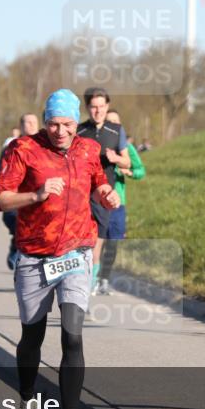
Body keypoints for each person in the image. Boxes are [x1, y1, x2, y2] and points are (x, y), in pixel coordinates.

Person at [0, 89, 120, 409]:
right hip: (33, 256)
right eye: (53, 124)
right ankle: (28, 404)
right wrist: (36, 195)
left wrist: (106, 192)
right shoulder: (23, 149)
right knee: (32, 336)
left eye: (66, 124)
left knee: (72, 334)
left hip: (77, 252)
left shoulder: (88, 148)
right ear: (44, 120)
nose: (60, 131)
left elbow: (96, 180)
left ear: (75, 122)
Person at [77, 87, 130, 294]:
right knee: (79, 242)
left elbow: (127, 162)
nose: (97, 111)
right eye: (93, 107)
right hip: (79, 195)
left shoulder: (116, 131)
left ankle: (89, 284)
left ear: (107, 107)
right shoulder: (79, 132)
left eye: (101, 107)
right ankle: (76, 280)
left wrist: (115, 158)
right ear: (87, 107)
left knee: (96, 242)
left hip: (103, 196)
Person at [96, 110, 145, 295]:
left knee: (113, 243)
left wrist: (129, 172)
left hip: (119, 202)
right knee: (97, 242)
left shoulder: (127, 149)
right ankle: (94, 277)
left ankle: (104, 279)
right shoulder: (97, 143)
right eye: (110, 122)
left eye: (117, 122)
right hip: (99, 200)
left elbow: (140, 170)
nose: (113, 125)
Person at [1, 113, 40, 270]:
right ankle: (16, 247)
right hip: (17, 199)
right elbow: (2, 172)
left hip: (38, 198)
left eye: (33, 122)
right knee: (18, 225)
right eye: (26, 122)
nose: (30, 125)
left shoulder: (46, 146)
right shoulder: (12, 148)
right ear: (21, 126)